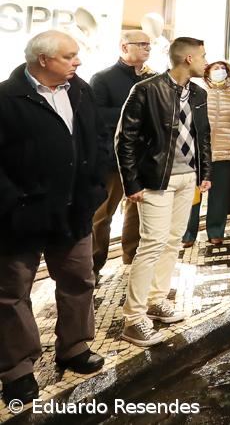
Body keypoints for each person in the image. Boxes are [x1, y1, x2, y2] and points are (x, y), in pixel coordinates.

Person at [0, 31, 108, 407]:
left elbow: (97, 138)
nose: (77, 62)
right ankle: (17, 369)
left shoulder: (79, 90)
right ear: (43, 60)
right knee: (12, 294)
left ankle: (74, 347)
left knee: (79, 279)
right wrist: (12, 204)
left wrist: (95, 186)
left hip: (74, 211)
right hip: (22, 217)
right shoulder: (5, 98)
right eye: (69, 56)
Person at [116, 37, 212, 347]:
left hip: (187, 178)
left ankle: (157, 299)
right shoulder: (146, 89)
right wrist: (131, 183)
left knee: (173, 241)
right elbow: (125, 139)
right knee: (152, 244)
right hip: (157, 178)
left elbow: (202, 135)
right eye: (202, 56)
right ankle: (133, 318)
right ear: (187, 58)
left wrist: (204, 172)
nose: (206, 61)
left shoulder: (197, 92)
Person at [89, 30, 155, 281]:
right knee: (103, 212)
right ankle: (94, 265)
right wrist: (136, 112)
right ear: (124, 47)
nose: (147, 49)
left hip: (143, 155)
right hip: (113, 156)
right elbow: (98, 115)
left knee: (138, 209)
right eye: (142, 44)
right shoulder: (103, 78)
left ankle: (133, 256)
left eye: (149, 45)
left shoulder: (153, 77)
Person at [182, 61, 230, 247]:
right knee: (193, 195)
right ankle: (188, 234)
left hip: (224, 151)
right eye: (216, 68)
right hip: (198, 152)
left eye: (223, 69)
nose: (220, 71)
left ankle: (216, 232)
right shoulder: (196, 90)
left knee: (219, 194)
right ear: (207, 71)